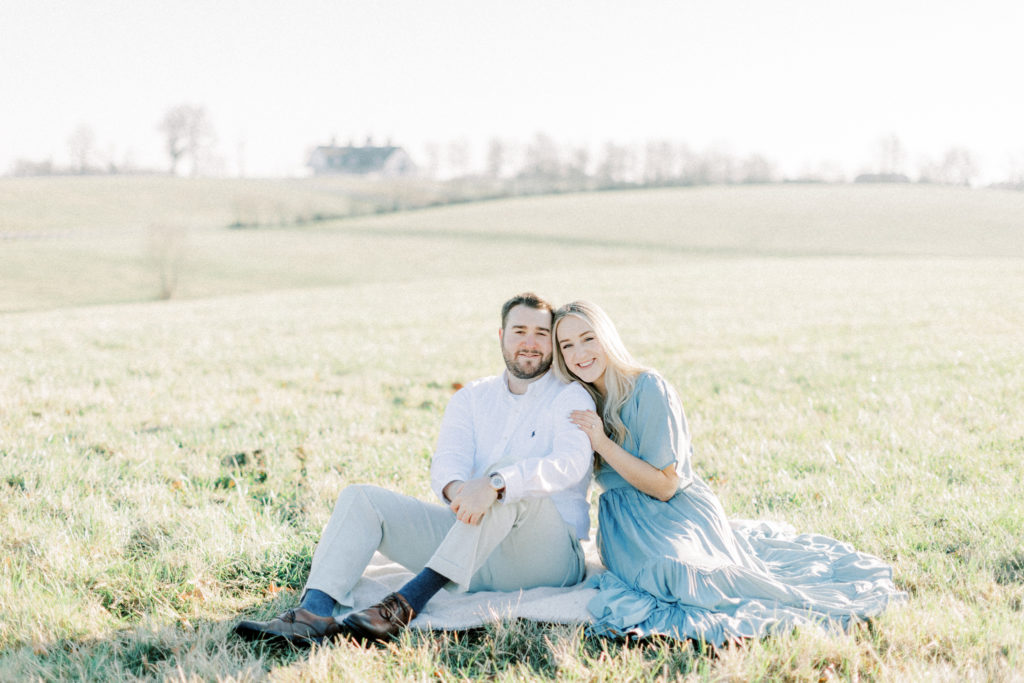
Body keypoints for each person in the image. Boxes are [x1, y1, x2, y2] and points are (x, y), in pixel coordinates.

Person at [234, 293, 595, 646]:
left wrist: (496, 484)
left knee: (505, 478)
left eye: (541, 334)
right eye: (519, 331)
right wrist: (461, 492)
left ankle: (407, 602)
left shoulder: (570, 396)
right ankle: (313, 614)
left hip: (548, 557)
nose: (530, 343)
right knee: (361, 499)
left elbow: (570, 464)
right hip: (474, 550)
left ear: (553, 344)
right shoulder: (471, 397)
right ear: (501, 336)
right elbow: (447, 466)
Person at [552, 300, 904, 646]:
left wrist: (602, 442)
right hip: (624, 524)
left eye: (588, 338)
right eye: (567, 345)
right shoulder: (578, 400)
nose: (579, 352)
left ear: (607, 337)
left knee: (682, 574)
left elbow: (665, 486)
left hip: (674, 511)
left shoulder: (648, 387)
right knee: (657, 576)